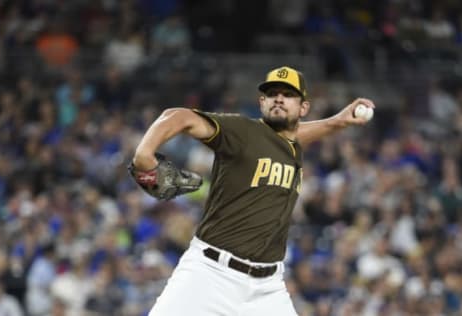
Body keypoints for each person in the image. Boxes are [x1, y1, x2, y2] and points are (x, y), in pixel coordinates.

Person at [132, 66, 375, 315]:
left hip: (267, 288)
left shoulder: (290, 145)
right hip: (209, 274)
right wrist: (144, 152)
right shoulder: (242, 131)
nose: (279, 98)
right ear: (262, 102)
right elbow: (178, 116)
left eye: (288, 94)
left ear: (303, 108)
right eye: (272, 94)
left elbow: (295, 135)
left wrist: (338, 122)